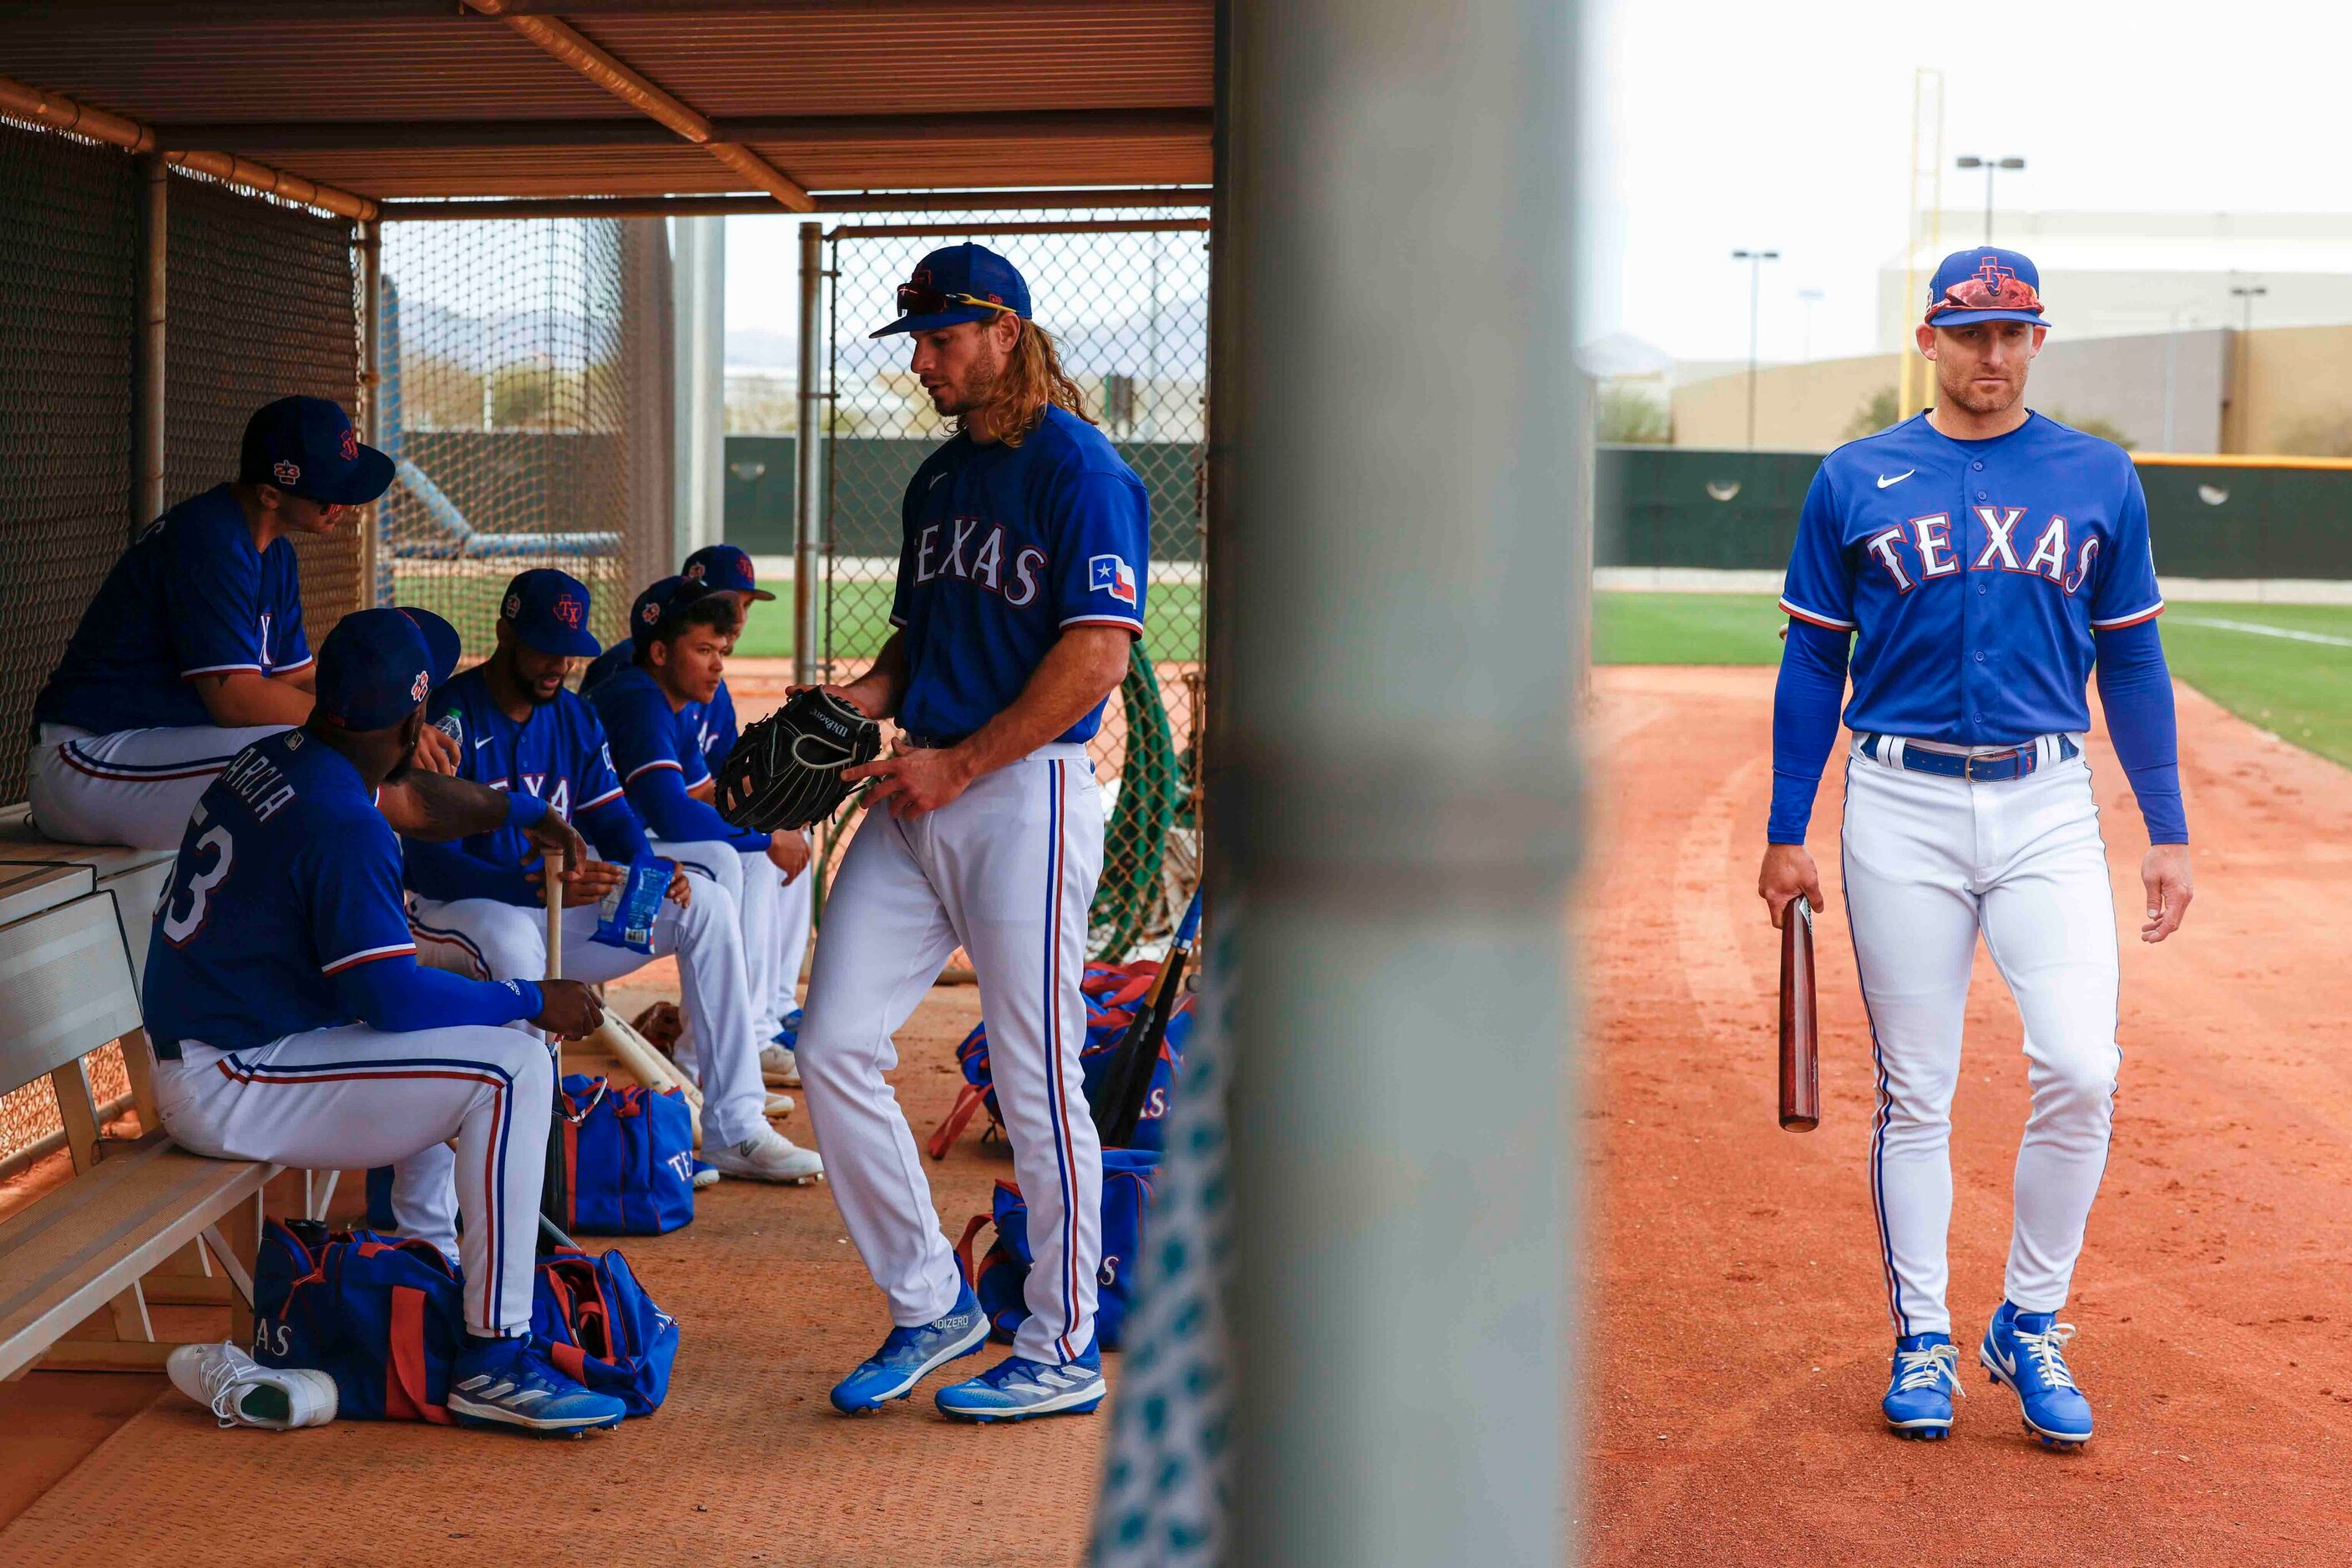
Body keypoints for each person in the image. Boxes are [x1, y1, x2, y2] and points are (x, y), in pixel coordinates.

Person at [1757, 247, 2194, 1451]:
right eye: (1968, 332)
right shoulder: (1854, 477)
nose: (1990, 354)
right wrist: (1787, 828)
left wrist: (2167, 829)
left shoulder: (2097, 477)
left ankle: (2031, 1318)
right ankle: (1925, 1338)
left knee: (2081, 1067)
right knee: (1919, 1089)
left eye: (2011, 333)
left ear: (2037, 341)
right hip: (1896, 804)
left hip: (2048, 799)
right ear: (1929, 340)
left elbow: (2134, 661)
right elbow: (1811, 660)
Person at [798, 244, 1147, 1421]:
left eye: (944, 341)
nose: (927, 365)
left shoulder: (1081, 470)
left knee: (1039, 1075)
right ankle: (930, 1299)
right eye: (917, 344)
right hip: (921, 788)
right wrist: (853, 707)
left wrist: (961, 761)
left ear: (1005, 332)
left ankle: (1057, 1342)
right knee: (833, 1040)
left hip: (1020, 794)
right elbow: (913, 652)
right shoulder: (938, 482)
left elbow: (1096, 652)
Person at [144, 608, 625, 1434]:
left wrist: (517, 811)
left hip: (241, 1040)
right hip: (230, 1075)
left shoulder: (286, 754)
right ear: (410, 718)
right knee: (509, 1066)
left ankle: (433, 1252)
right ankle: (493, 1356)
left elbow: (417, 799)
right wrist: (533, 998)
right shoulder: (342, 825)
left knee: (497, 1051)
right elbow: (392, 998)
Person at [397, 568, 821, 1196]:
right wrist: (529, 891)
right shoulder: (455, 716)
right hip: (452, 908)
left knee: (703, 903)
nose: (557, 665)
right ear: (504, 634)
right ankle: (529, 1154)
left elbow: (612, 818)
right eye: (543, 647)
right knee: (517, 943)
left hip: (547, 904)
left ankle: (735, 1126)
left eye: (568, 651)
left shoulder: (572, 717)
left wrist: (649, 867)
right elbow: (425, 860)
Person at [28, 396, 451, 848]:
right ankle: (449, 823)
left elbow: (302, 679)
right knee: (305, 759)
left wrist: (390, 715)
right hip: (87, 759)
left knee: (330, 757)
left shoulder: (276, 553)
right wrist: (372, 726)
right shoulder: (209, 539)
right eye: (329, 496)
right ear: (270, 494)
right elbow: (239, 702)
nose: (343, 506)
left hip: (156, 754)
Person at [586, 577, 812, 1119]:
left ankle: (733, 1042)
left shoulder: (671, 701)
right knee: (732, 857)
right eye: (706, 649)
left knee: (743, 851)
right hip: (590, 864)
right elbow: (671, 811)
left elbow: (697, 794)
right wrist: (766, 834)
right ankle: (706, 1059)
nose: (718, 663)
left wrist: (774, 817)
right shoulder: (638, 699)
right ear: (660, 650)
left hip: (621, 848)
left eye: (723, 651)